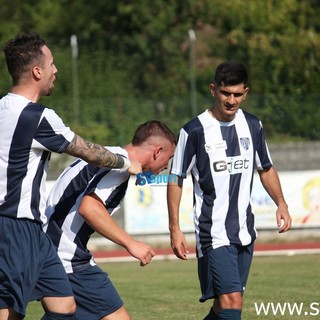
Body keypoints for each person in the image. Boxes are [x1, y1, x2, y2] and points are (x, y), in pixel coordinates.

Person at [0, 33, 141, 320]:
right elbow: (87, 151)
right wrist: (126, 162)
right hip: (13, 225)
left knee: (64, 305)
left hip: (32, 231)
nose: (56, 70)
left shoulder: (2, 108)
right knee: (10, 310)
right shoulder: (37, 117)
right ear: (37, 71)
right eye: (52, 64)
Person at [167, 61, 292, 320]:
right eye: (225, 93)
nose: (231, 100)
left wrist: (281, 203)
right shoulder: (193, 131)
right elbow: (175, 179)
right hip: (213, 233)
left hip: (245, 230)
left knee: (225, 307)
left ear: (246, 92)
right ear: (214, 90)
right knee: (232, 302)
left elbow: (265, 168)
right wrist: (175, 229)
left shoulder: (253, 126)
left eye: (237, 94)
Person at [44, 120, 176, 320]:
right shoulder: (119, 168)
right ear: (157, 151)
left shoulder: (107, 154)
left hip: (48, 248)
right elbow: (89, 207)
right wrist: (131, 243)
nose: (166, 166)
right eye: (169, 158)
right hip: (66, 257)